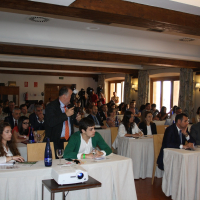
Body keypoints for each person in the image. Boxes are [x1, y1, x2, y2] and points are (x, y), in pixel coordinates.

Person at [44, 87, 81, 154]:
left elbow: (76, 123)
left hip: (69, 141)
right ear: (64, 96)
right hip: (56, 142)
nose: (72, 98)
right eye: (70, 95)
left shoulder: (70, 106)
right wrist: (65, 115)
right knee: (57, 163)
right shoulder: (51, 106)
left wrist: (78, 119)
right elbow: (51, 122)